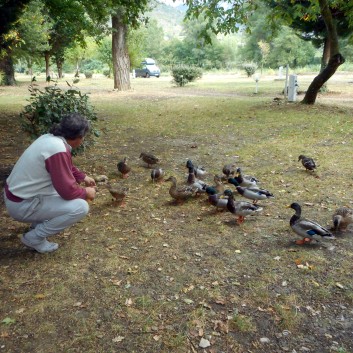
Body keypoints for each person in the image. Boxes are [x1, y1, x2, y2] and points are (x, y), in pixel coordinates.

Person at [4, 113, 97, 253]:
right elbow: (67, 191)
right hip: (21, 205)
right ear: (78, 137)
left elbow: (63, 166)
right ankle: (34, 237)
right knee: (80, 207)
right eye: (83, 137)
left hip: (17, 196)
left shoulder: (50, 139)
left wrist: (82, 177)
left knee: (56, 192)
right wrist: (86, 192)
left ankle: (36, 224)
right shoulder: (58, 149)